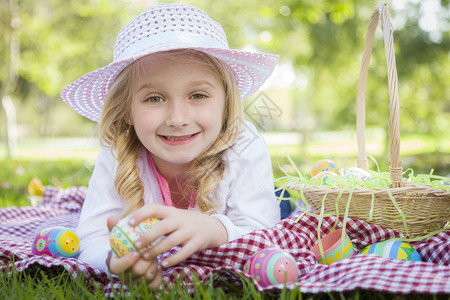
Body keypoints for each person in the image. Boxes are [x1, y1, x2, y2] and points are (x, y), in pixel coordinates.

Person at [61, 3, 280, 288]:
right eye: (154, 98)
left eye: (198, 95)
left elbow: (264, 233)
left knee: (286, 203)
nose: (178, 119)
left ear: (226, 103)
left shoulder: (243, 146)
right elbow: (92, 236)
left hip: (257, 199)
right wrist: (116, 262)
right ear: (126, 109)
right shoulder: (119, 151)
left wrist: (215, 229)